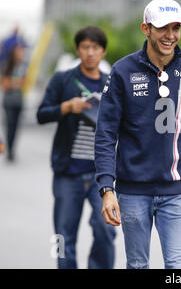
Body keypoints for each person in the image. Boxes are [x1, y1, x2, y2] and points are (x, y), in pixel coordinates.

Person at [94, 0, 181, 269]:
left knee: (178, 267)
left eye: (176, 28)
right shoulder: (123, 71)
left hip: (177, 193)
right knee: (137, 266)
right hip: (132, 193)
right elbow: (105, 134)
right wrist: (107, 188)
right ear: (146, 28)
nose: (170, 35)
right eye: (163, 28)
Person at [36, 26, 116, 269]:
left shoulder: (111, 84)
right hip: (67, 171)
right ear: (78, 49)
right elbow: (41, 114)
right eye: (85, 47)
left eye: (95, 48)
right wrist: (66, 107)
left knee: (105, 230)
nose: (90, 53)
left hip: (100, 175)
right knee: (63, 235)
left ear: (103, 52)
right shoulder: (63, 79)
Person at [0, 42, 27, 162]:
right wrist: (16, 83)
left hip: (19, 101)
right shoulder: (7, 66)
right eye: (18, 52)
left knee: (16, 127)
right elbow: (4, 84)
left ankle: (12, 149)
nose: (21, 54)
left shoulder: (23, 67)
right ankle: (9, 150)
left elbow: (24, 82)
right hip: (9, 102)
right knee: (9, 126)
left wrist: (13, 83)